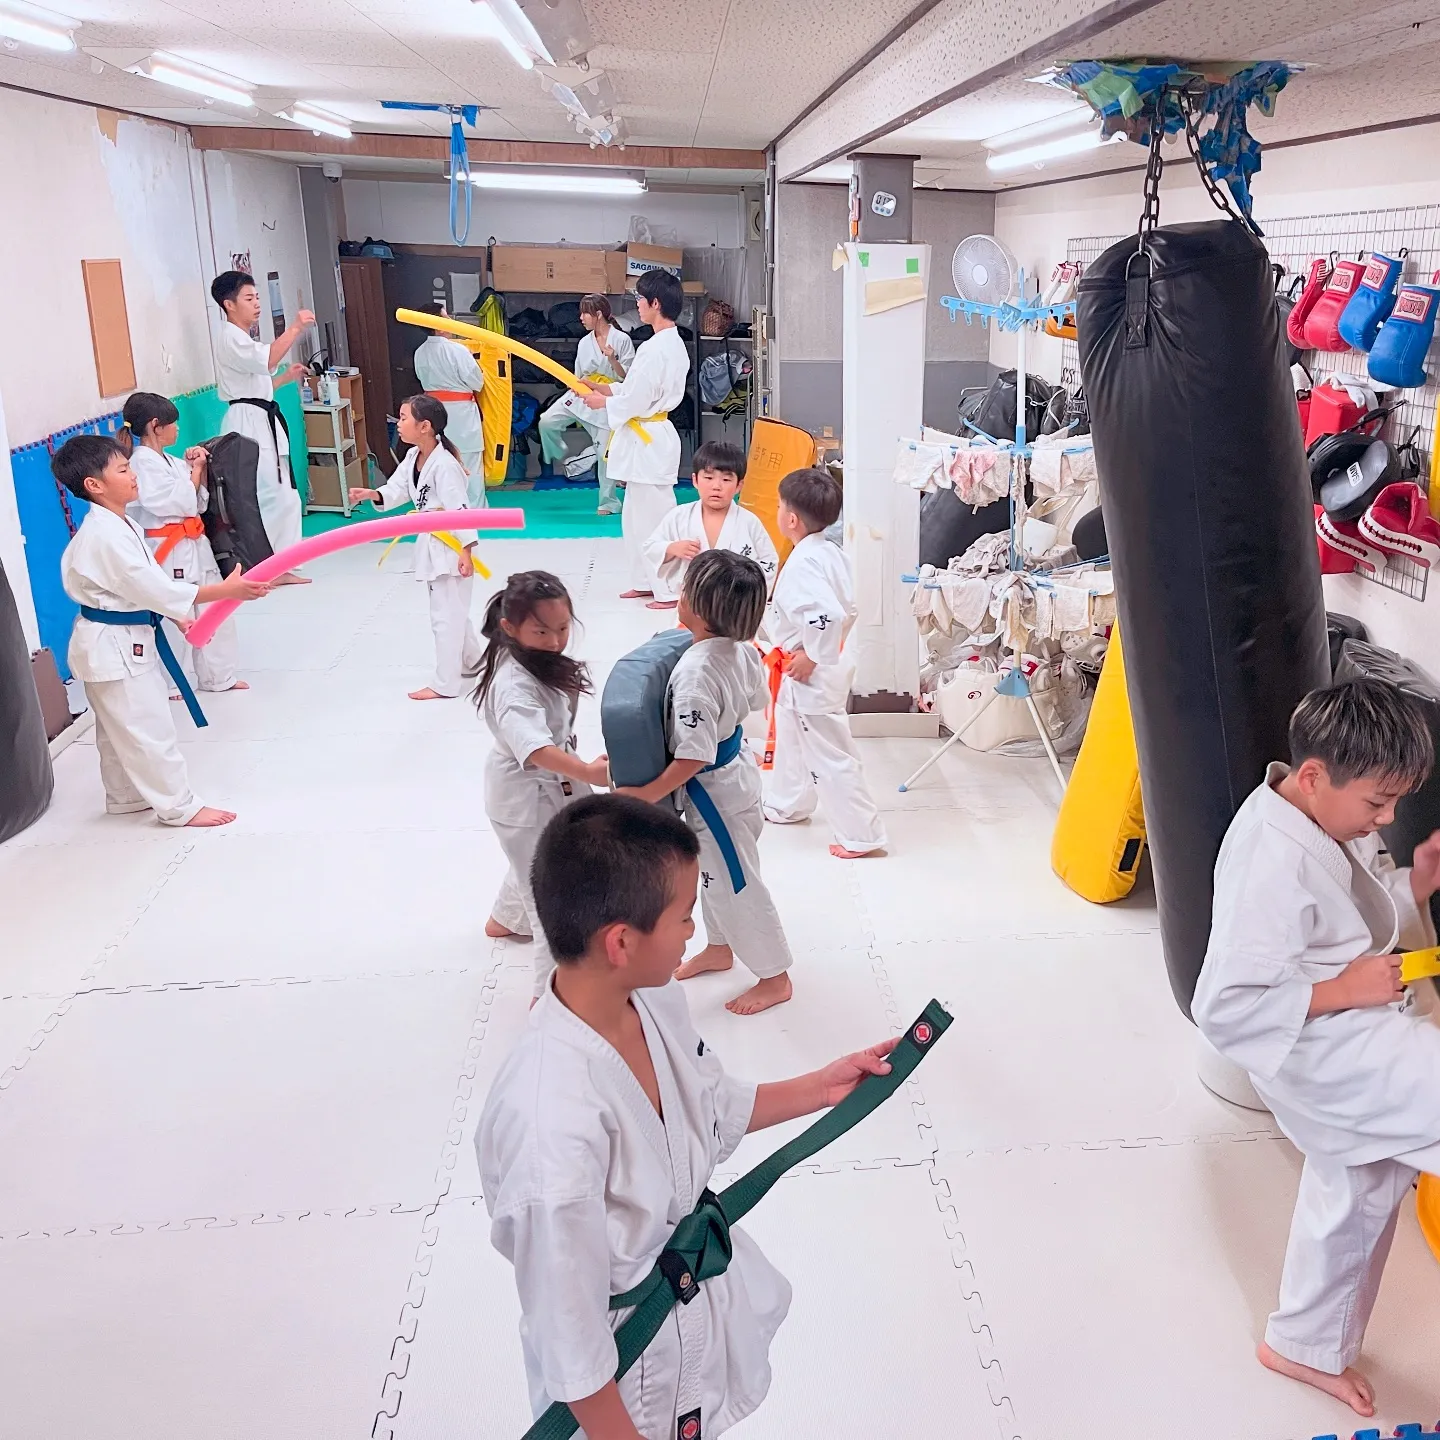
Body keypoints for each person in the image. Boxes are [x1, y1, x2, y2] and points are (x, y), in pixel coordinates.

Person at [476, 793, 896, 1440]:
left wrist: (823, 1086)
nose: (692, 933)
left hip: (682, 1324)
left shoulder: (652, 1000)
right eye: (683, 916)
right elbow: (571, 1338)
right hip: (620, 1382)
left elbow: (710, 1106)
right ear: (620, 941)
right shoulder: (549, 1122)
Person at [1193, 678, 1440, 1418]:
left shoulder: (1323, 819)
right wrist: (1345, 992)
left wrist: (1414, 889)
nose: (1388, 817)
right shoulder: (1269, 857)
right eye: (1377, 802)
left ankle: (1303, 1344)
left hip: (1350, 1019)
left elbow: (1346, 927)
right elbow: (1224, 1008)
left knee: (1360, 1183)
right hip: (1319, 1043)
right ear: (1312, 775)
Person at [54, 434, 270, 828]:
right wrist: (226, 590)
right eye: (122, 470)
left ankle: (126, 798)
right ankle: (179, 807)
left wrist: (176, 615)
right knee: (146, 727)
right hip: (112, 646)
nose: (133, 475)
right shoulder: (104, 535)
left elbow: (146, 582)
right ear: (94, 485)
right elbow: (154, 587)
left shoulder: (122, 525)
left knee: (119, 729)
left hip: (117, 643)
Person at [615, 550, 794, 1015]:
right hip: (737, 779)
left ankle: (775, 977)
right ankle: (719, 948)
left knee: (737, 884)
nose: (679, 593)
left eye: (686, 587)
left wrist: (643, 795)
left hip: (715, 796)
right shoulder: (740, 649)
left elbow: (694, 755)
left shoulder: (696, 674)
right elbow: (755, 700)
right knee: (713, 875)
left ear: (700, 605)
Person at [473, 571, 609, 996]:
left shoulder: (533, 657)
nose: (555, 641)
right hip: (525, 793)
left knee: (537, 862)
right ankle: (549, 1002)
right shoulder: (513, 685)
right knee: (551, 896)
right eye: (542, 631)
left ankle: (505, 921)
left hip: (551, 784)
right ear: (510, 628)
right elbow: (533, 750)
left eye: (563, 628)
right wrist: (587, 771)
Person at [761, 468, 887, 858]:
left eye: (781, 506)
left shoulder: (804, 564)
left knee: (830, 753)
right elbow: (847, 609)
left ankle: (861, 835)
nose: (779, 512)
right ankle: (788, 803)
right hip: (819, 661)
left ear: (791, 519)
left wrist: (812, 656)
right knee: (793, 737)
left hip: (810, 669)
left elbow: (828, 616)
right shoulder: (828, 552)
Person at [348, 395, 481, 702]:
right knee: (454, 610)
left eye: (404, 417)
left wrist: (466, 551)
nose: (400, 423)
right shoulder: (413, 458)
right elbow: (395, 489)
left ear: (425, 426)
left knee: (445, 617)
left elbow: (461, 510)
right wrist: (373, 494)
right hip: (434, 541)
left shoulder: (445, 466)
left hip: (450, 546)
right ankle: (474, 663)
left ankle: (446, 684)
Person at [122, 391, 245, 696]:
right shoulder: (141, 465)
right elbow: (179, 501)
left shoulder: (171, 462)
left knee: (218, 608)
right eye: (173, 424)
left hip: (195, 544)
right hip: (168, 552)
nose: (178, 430)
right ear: (155, 425)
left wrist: (195, 467)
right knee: (176, 616)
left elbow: (198, 502)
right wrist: (197, 471)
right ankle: (172, 683)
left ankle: (219, 677)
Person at [582, 269, 689, 602]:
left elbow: (639, 399)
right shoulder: (662, 345)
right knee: (634, 518)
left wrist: (604, 401)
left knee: (654, 519)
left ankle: (668, 589)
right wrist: (606, 389)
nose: (638, 305)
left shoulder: (659, 348)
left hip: (651, 437)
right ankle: (645, 581)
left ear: (655, 303)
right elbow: (634, 390)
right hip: (647, 435)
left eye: (641, 299)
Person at [211, 270, 314, 584]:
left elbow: (258, 380)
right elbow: (267, 357)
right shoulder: (229, 336)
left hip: (259, 416)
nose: (256, 304)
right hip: (247, 422)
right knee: (266, 493)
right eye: (249, 298)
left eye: (257, 297)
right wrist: (295, 327)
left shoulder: (242, 338)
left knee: (284, 495)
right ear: (229, 304)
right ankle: (267, 568)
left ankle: (280, 564)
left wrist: (283, 378)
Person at [641, 440, 778, 612]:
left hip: (735, 605)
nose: (716, 486)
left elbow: (769, 561)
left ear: (739, 486)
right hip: (692, 604)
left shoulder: (749, 522)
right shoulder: (679, 516)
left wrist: (747, 591)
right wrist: (671, 548)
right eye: (708, 478)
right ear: (695, 480)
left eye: (726, 479)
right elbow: (651, 547)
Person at [538, 294, 635, 516]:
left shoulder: (621, 340)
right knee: (546, 421)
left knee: (604, 454)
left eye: (585, 313)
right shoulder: (584, 342)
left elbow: (628, 377)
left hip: (607, 397)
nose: (581, 318)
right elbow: (579, 375)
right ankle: (555, 449)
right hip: (583, 390)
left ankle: (609, 503)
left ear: (598, 314)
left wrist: (612, 359)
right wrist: (576, 388)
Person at [413, 303, 488, 507]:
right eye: (446, 317)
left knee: (442, 466)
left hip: (433, 414)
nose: (451, 321)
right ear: (438, 326)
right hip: (461, 414)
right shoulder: (457, 350)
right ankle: (474, 516)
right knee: (470, 466)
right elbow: (477, 382)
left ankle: (446, 513)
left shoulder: (419, 353)